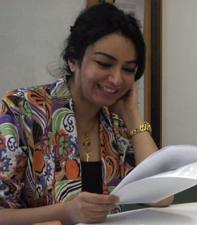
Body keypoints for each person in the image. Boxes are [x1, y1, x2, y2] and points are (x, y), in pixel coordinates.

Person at [0, 3, 173, 225]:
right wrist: (64, 213)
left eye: (128, 69)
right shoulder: (20, 109)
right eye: (104, 63)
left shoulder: (117, 121)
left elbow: (162, 197)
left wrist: (132, 115)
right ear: (73, 60)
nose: (117, 79)